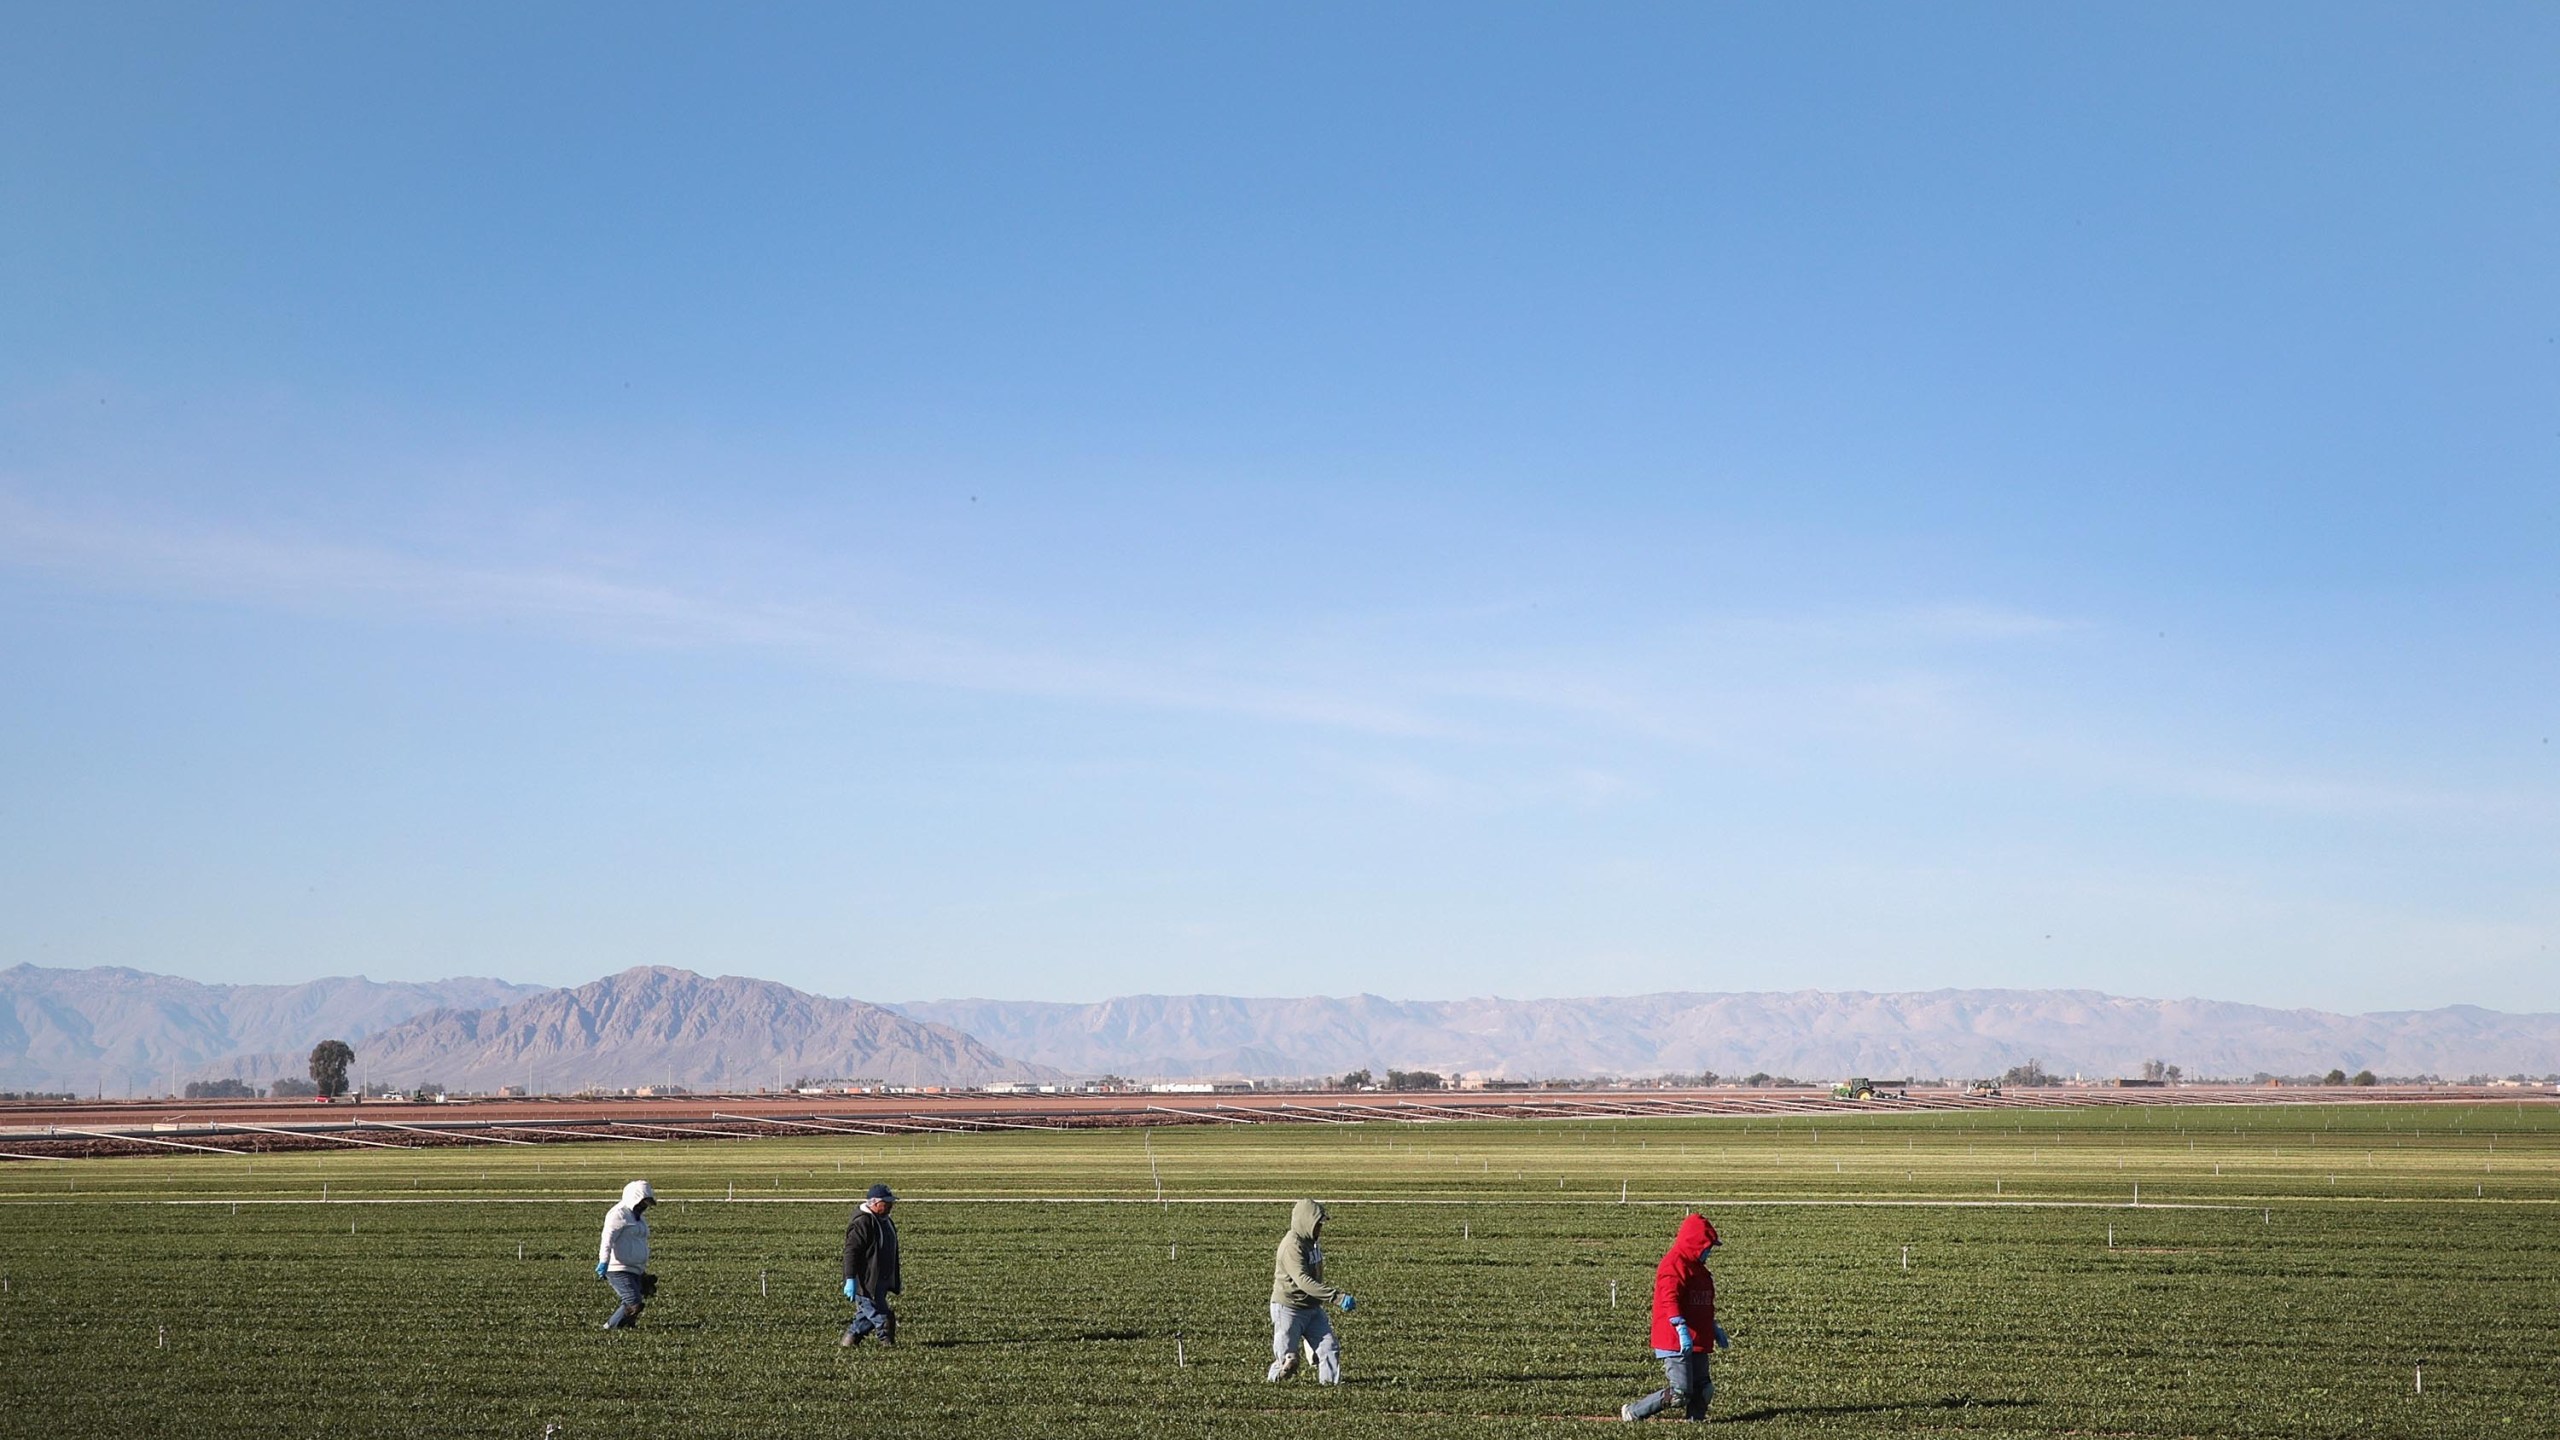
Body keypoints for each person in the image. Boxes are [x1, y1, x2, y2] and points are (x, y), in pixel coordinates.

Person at [1622, 1212, 1728, 1421]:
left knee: (1704, 1388)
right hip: (1675, 1339)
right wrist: (1679, 1327)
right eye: (1706, 1247)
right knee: (1680, 1393)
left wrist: (1713, 1327)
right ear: (1694, 1243)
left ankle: (1695, 1422)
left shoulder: (1700, 1270)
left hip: (1698, 1337)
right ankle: (1633, 1412)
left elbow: (1703, 1304)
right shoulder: (1673, 1264)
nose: (1708, 1251)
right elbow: (1668, 1298)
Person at [1267, 1198, 1354, 1384]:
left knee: (1330, 1348)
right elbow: (1304, 1281)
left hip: (1312, 1308)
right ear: (1306, 1222)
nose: (1320, 1229)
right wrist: (1336, 1297)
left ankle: (1330, 1385)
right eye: (1317, 1225)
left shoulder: (1312, 1242)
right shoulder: (1292, 1246)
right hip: (1289, 1308)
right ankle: (1275, 1381)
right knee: (1287, 1358)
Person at [839, 1183, 901, 1347]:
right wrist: (850, 1278)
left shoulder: (885, 1221)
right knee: (883, 1316)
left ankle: (849, 1341)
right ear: (874, 1203)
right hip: (866, 1281)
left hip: (881, 1279)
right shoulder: (862, 1222)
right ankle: (887, 1343)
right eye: (886, 1203)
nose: (890, 1206)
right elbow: (851, 1252)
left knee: (866, 1315)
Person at [594, 1179, 657, 1331]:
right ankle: (610, 1326)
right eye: (642, 1203)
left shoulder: (639, 1218)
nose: (644, 1208)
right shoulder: (618, 1214)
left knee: (635, 1300)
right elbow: (607, 1239)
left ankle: (627, 1326)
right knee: (633, 1301)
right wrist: (604, 1261)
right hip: (618, 1267)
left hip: (635, 1268)